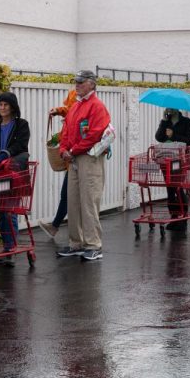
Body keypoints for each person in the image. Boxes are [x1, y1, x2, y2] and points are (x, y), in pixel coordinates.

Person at [57, 70, 111, 261]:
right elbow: (66, 131)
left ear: (92, 84)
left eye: (81, 81)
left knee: (89, 201)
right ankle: (76, 243)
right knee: (73, 201)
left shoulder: (97, 106)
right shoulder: (76, 106)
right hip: (73, 157)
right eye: (76, 81)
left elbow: (95, 134)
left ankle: (94, 244)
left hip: (88, 158)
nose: (77, 84)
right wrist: (63, 148)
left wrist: (72, 150)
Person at [0, 92, 30, 265]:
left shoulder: (22, 124)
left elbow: (21, 144)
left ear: (13, 107)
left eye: (6, 105)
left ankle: (10, 249)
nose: (2, 108)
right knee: (1, 209)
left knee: (10, 209)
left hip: (14, 172)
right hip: (0, 172)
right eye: (0, 105)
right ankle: (7, 247)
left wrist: (5, 154)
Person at [39, 88, 77, 240]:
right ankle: (56, 227)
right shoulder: (76, 98)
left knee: (68, 196)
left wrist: (60, 111)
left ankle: (63, 230)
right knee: (67, 196)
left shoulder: (78, 104)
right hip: (72, 159)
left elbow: (72, 110)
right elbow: (70, 110)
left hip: (75, 159)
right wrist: (59, 111)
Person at [154, 108, 190, 231]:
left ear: (176, 109)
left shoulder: (186, 121)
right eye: (168, 108)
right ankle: (174, 216)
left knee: (179, 186)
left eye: (172, 108)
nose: (169, 110)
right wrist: (164, 120)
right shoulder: (166, 121)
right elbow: (159, 137)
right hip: (166, 159)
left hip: (181, 160)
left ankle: (183, 215)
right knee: (170, 188)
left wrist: (174, 135)